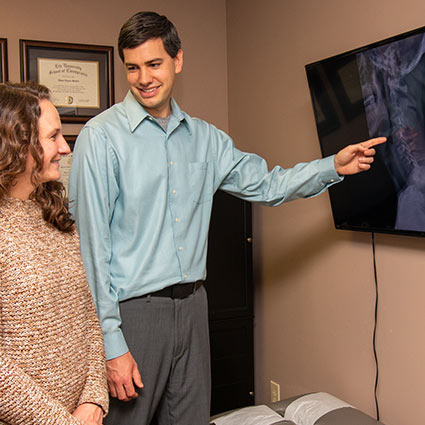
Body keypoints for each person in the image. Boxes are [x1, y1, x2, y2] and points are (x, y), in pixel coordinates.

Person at [68, 11, 386, 425]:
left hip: (195, 307)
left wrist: (332, 167)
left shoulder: (207, 139)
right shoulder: (101, 137)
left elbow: (269, 185)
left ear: (177, 60)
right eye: (132, 67)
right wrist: (112, 344)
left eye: (154, 64)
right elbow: (92, 251)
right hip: (133, 315)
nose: (143, 77)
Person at [0, 81, 109, 425]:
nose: (64, 147)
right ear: (17, 143)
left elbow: (87, 316)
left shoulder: (55, 215)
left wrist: (94, 398)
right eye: (53, 137)